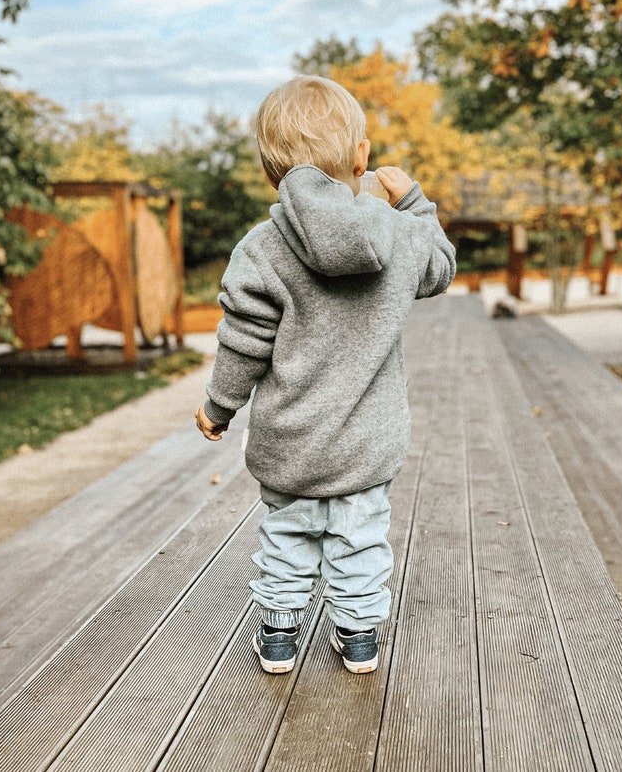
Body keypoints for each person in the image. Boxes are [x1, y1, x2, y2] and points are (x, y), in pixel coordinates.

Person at [195, 75, 456, 675]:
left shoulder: (260, 250)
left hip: (291, 441)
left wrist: (219, 406)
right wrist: (415, 203)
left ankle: (281, 637)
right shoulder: (398, 232)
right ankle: (358, 638)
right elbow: (441, 269)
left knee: (287, 533)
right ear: (362, 157)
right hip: (367, 443)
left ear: (270, 172)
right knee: (359, 537)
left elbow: (244, 341)